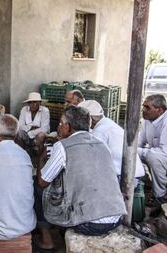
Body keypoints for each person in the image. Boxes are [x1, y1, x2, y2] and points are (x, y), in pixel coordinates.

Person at [34, 106, 126, 251]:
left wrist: (42, 156)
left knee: (38, 187)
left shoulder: (62, 146)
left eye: (60, 124)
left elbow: (43, 181)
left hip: (89, 224)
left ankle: (47, 239)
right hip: (116, 217)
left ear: (68, 126)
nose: (58, 127)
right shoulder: (102, 144)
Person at [78, 100, 145, 180]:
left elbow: (92, 160)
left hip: (126, 177)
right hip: (133, 173)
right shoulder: (107, 123)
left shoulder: (100, 132)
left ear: (90, 119)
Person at [17, 92, 50, 166]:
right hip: (27, 133)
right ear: (28, 103)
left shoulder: (45, 111)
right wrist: (30, 127)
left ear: (40, 103)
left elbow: (44, 128)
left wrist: (30, 132)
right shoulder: (24, 110)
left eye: (35, 102)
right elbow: (20, 125)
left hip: (39, 135)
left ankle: (39, 160)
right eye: (30, 102)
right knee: (19, 133)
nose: (33, 104)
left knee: (40, 135)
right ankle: (22, 157)